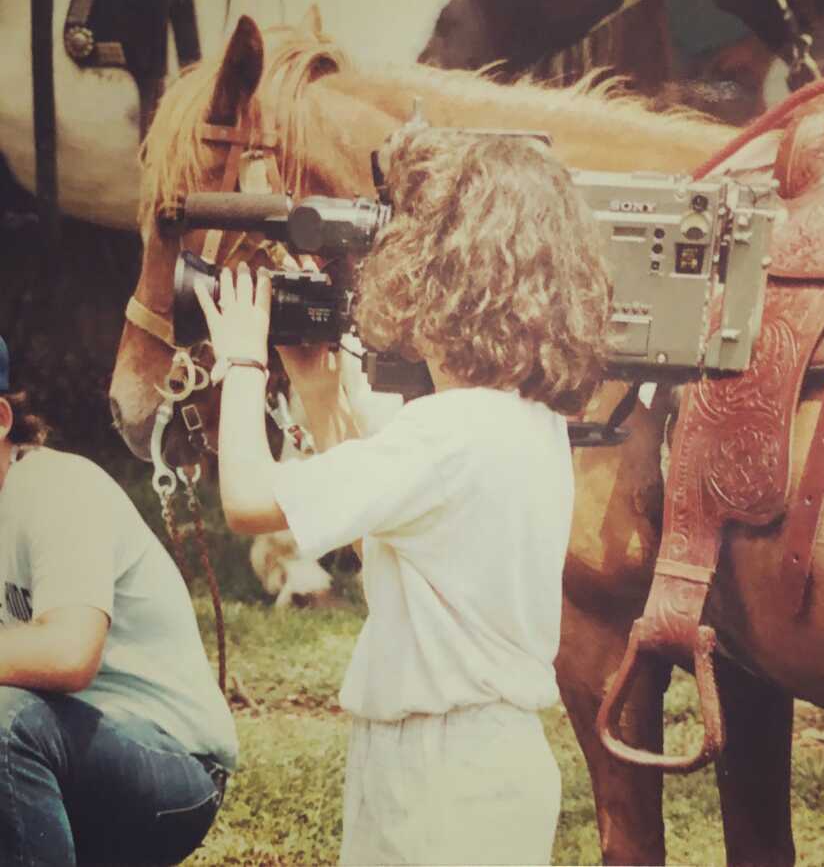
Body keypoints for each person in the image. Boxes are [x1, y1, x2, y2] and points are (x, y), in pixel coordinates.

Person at [197, 128, 611, 865]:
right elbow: (374, 537)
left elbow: (246, 500)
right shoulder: (520, 423)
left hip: (444, 772)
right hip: (465, 757)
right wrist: (319, 391)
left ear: (444, 283)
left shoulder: (447, 433)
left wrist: (238, 359)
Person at [0, 334, 238, 867]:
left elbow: (69, 653)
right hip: (63, 753)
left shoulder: (55, 487)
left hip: (171, 763)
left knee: (3, 721)